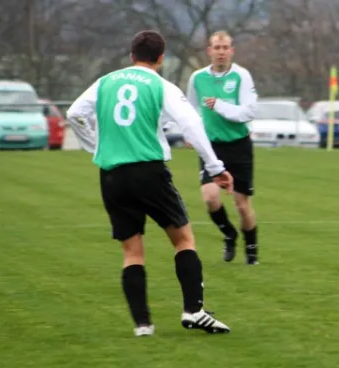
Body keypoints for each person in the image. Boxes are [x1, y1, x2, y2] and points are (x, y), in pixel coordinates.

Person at [66, 30, 233, 336]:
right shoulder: (160, 84)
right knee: (183, 240)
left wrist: (94, 145)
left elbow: (75, 113)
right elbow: (191, 123)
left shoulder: (105, 81)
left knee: (132, 251)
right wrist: (215, 166)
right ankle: (193, 311)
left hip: (112, 175)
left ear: (131, 57)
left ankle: (143, 326)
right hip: (148, 170)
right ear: (161, 59)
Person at [186, 31, 259, 265]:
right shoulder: (197, 78)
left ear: (231, 51)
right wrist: (190, 132)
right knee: (210, 198)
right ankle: (229, 234)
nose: (220, 52)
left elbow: (248, 112)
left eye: (225, 47)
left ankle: (251, 249)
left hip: (239, 146)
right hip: (211, 147)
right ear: (209, 51)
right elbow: (190, 110)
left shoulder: (241, 76)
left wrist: (220, 106)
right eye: (216, 47)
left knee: (241, 204)